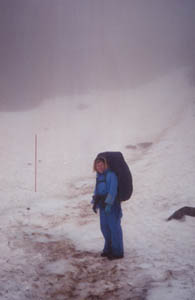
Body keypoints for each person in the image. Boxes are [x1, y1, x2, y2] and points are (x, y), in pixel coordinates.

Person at [92, 157, 124, 260]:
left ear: (105, 164)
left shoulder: (111, 175)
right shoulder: (99, 177)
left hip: (112, 205)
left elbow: (113, 190)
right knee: (104, 228)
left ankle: (117, 252)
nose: (99, 167)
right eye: (97, 165)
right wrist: (94, 203)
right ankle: (108, 249)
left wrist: (109, 204)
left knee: (114, 228)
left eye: (101, 164)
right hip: (102, 205)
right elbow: (96, 191)